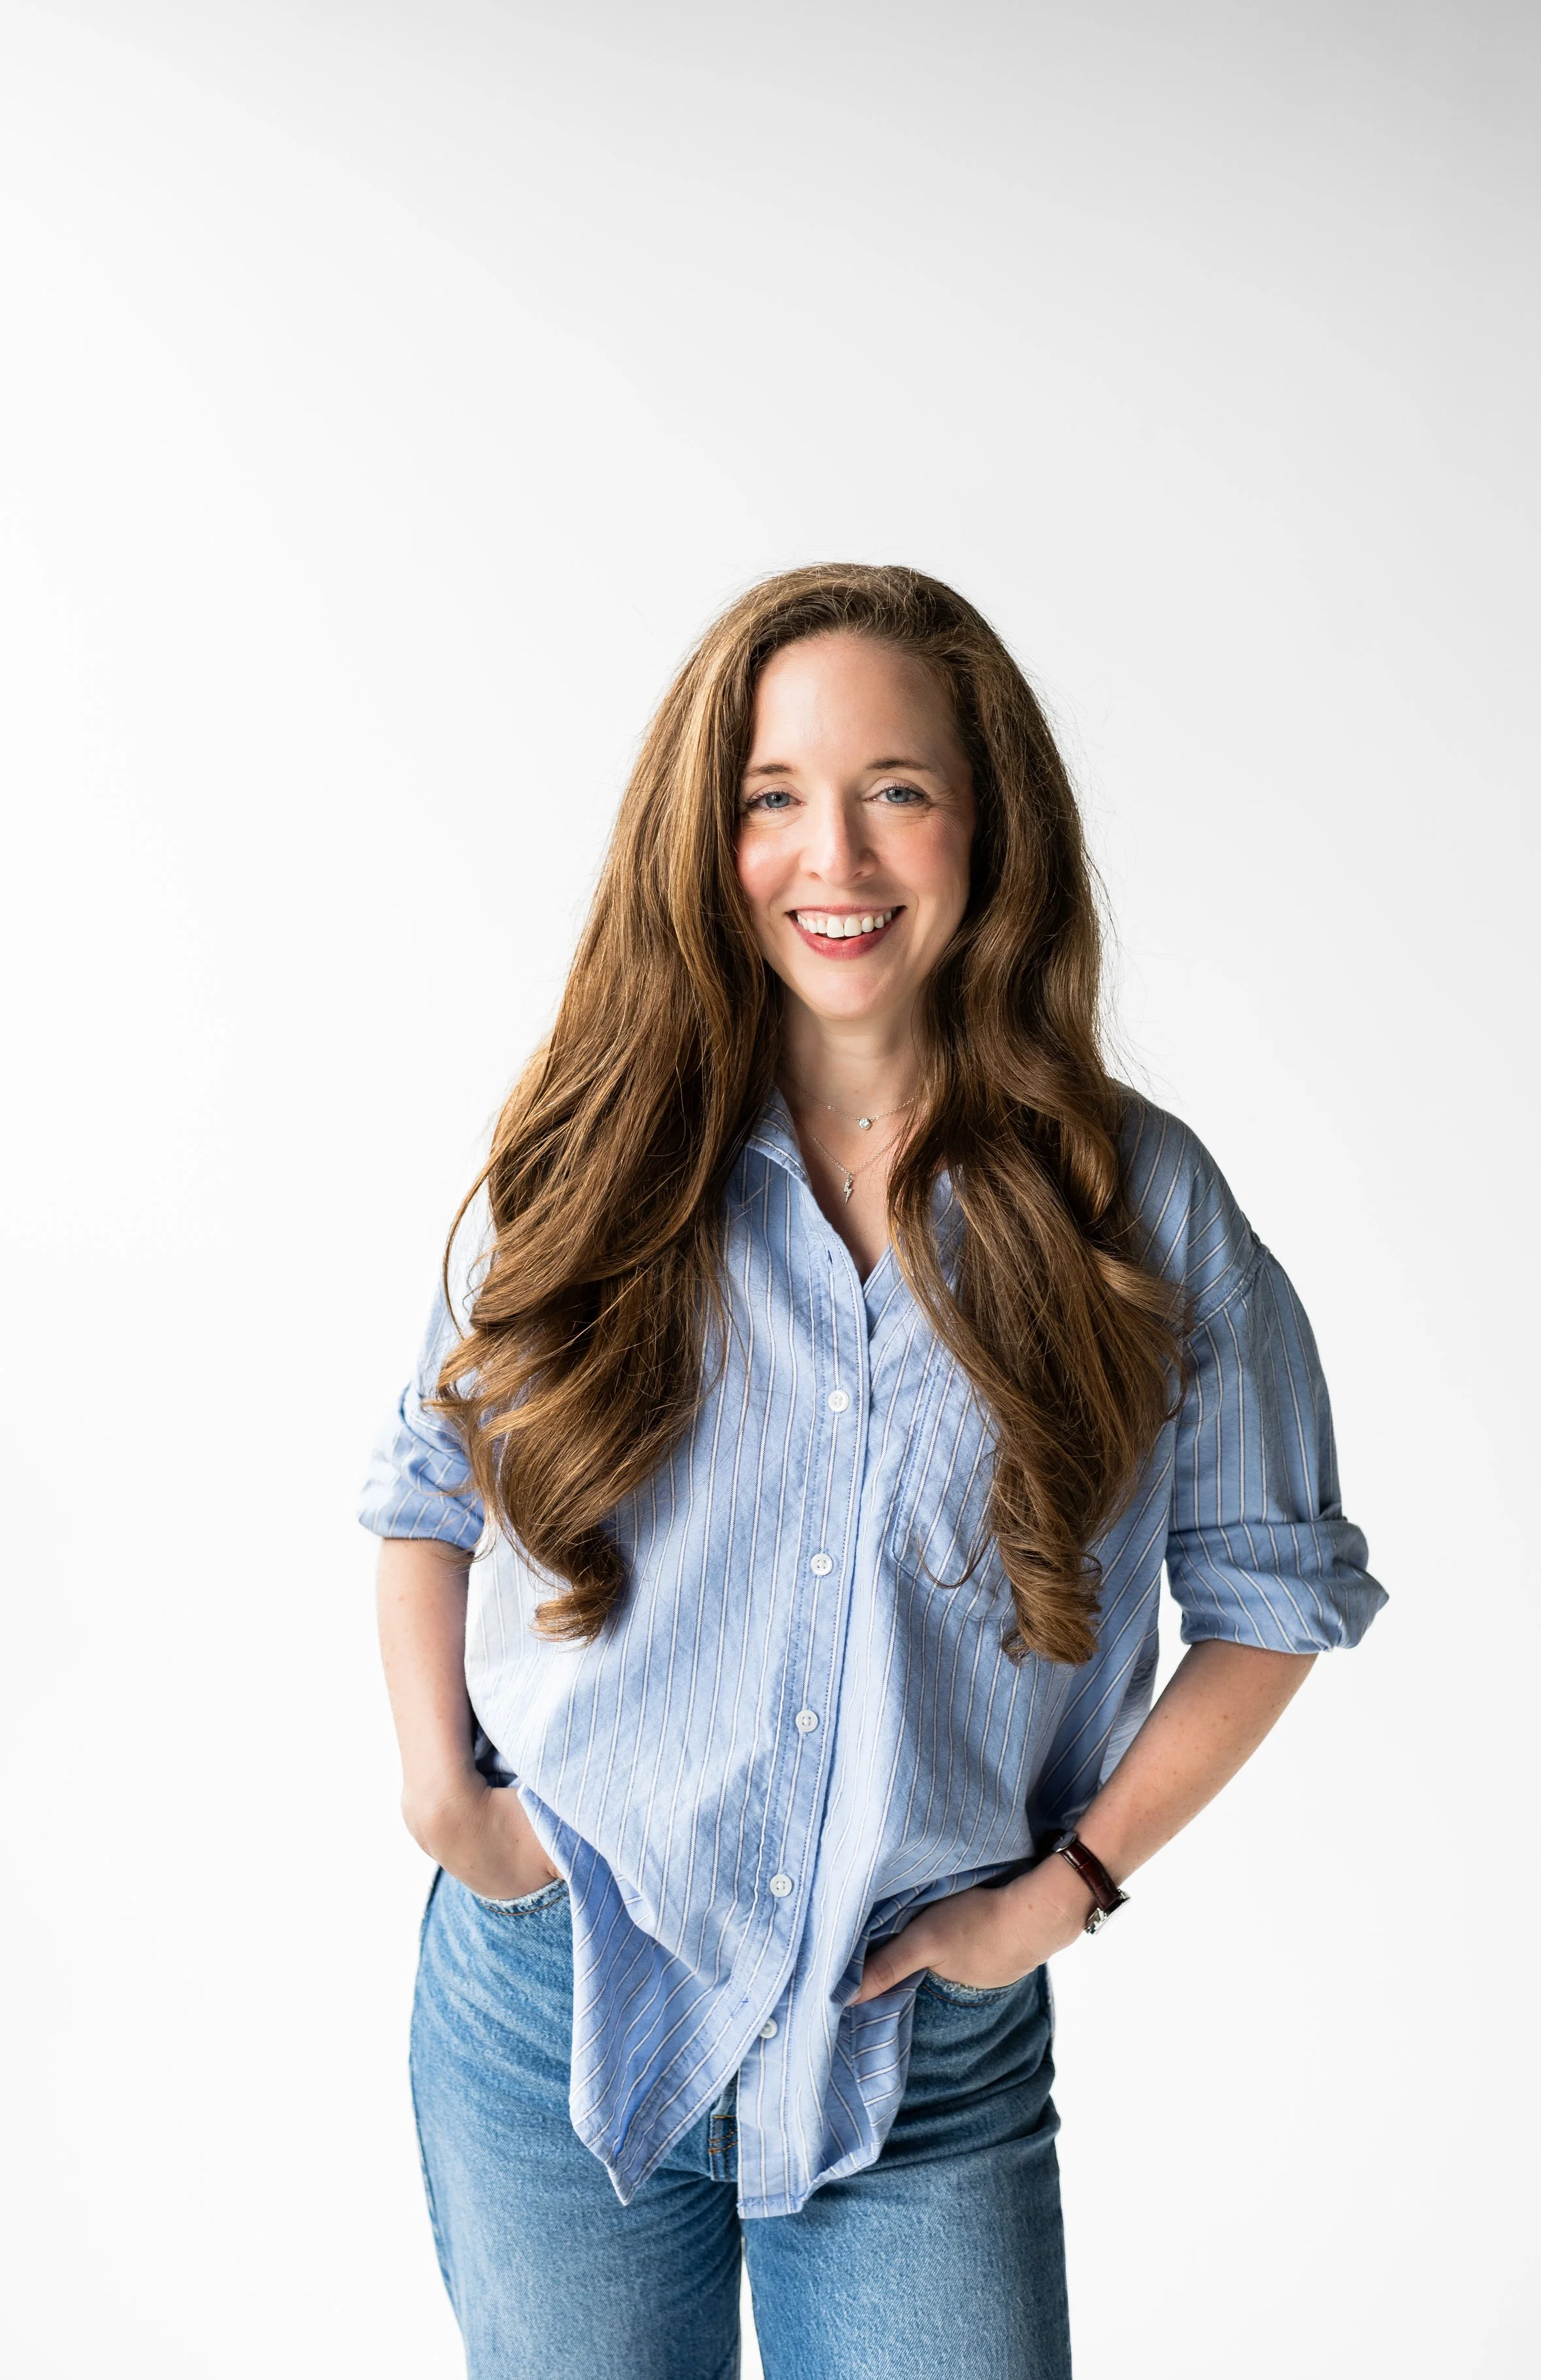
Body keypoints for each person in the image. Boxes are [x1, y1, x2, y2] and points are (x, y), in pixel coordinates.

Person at [361, 563, 1384, 2380]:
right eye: (773, 796)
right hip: (552, 2000)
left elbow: (1274, 1593)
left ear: (990, 823)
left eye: (895, 789)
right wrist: (450, 1800)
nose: (831, 856)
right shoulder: (595, 1152)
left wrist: (1067, 1888)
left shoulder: (1139, 1209)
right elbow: (429, 1485)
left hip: (918, 2052)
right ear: (706, 834)